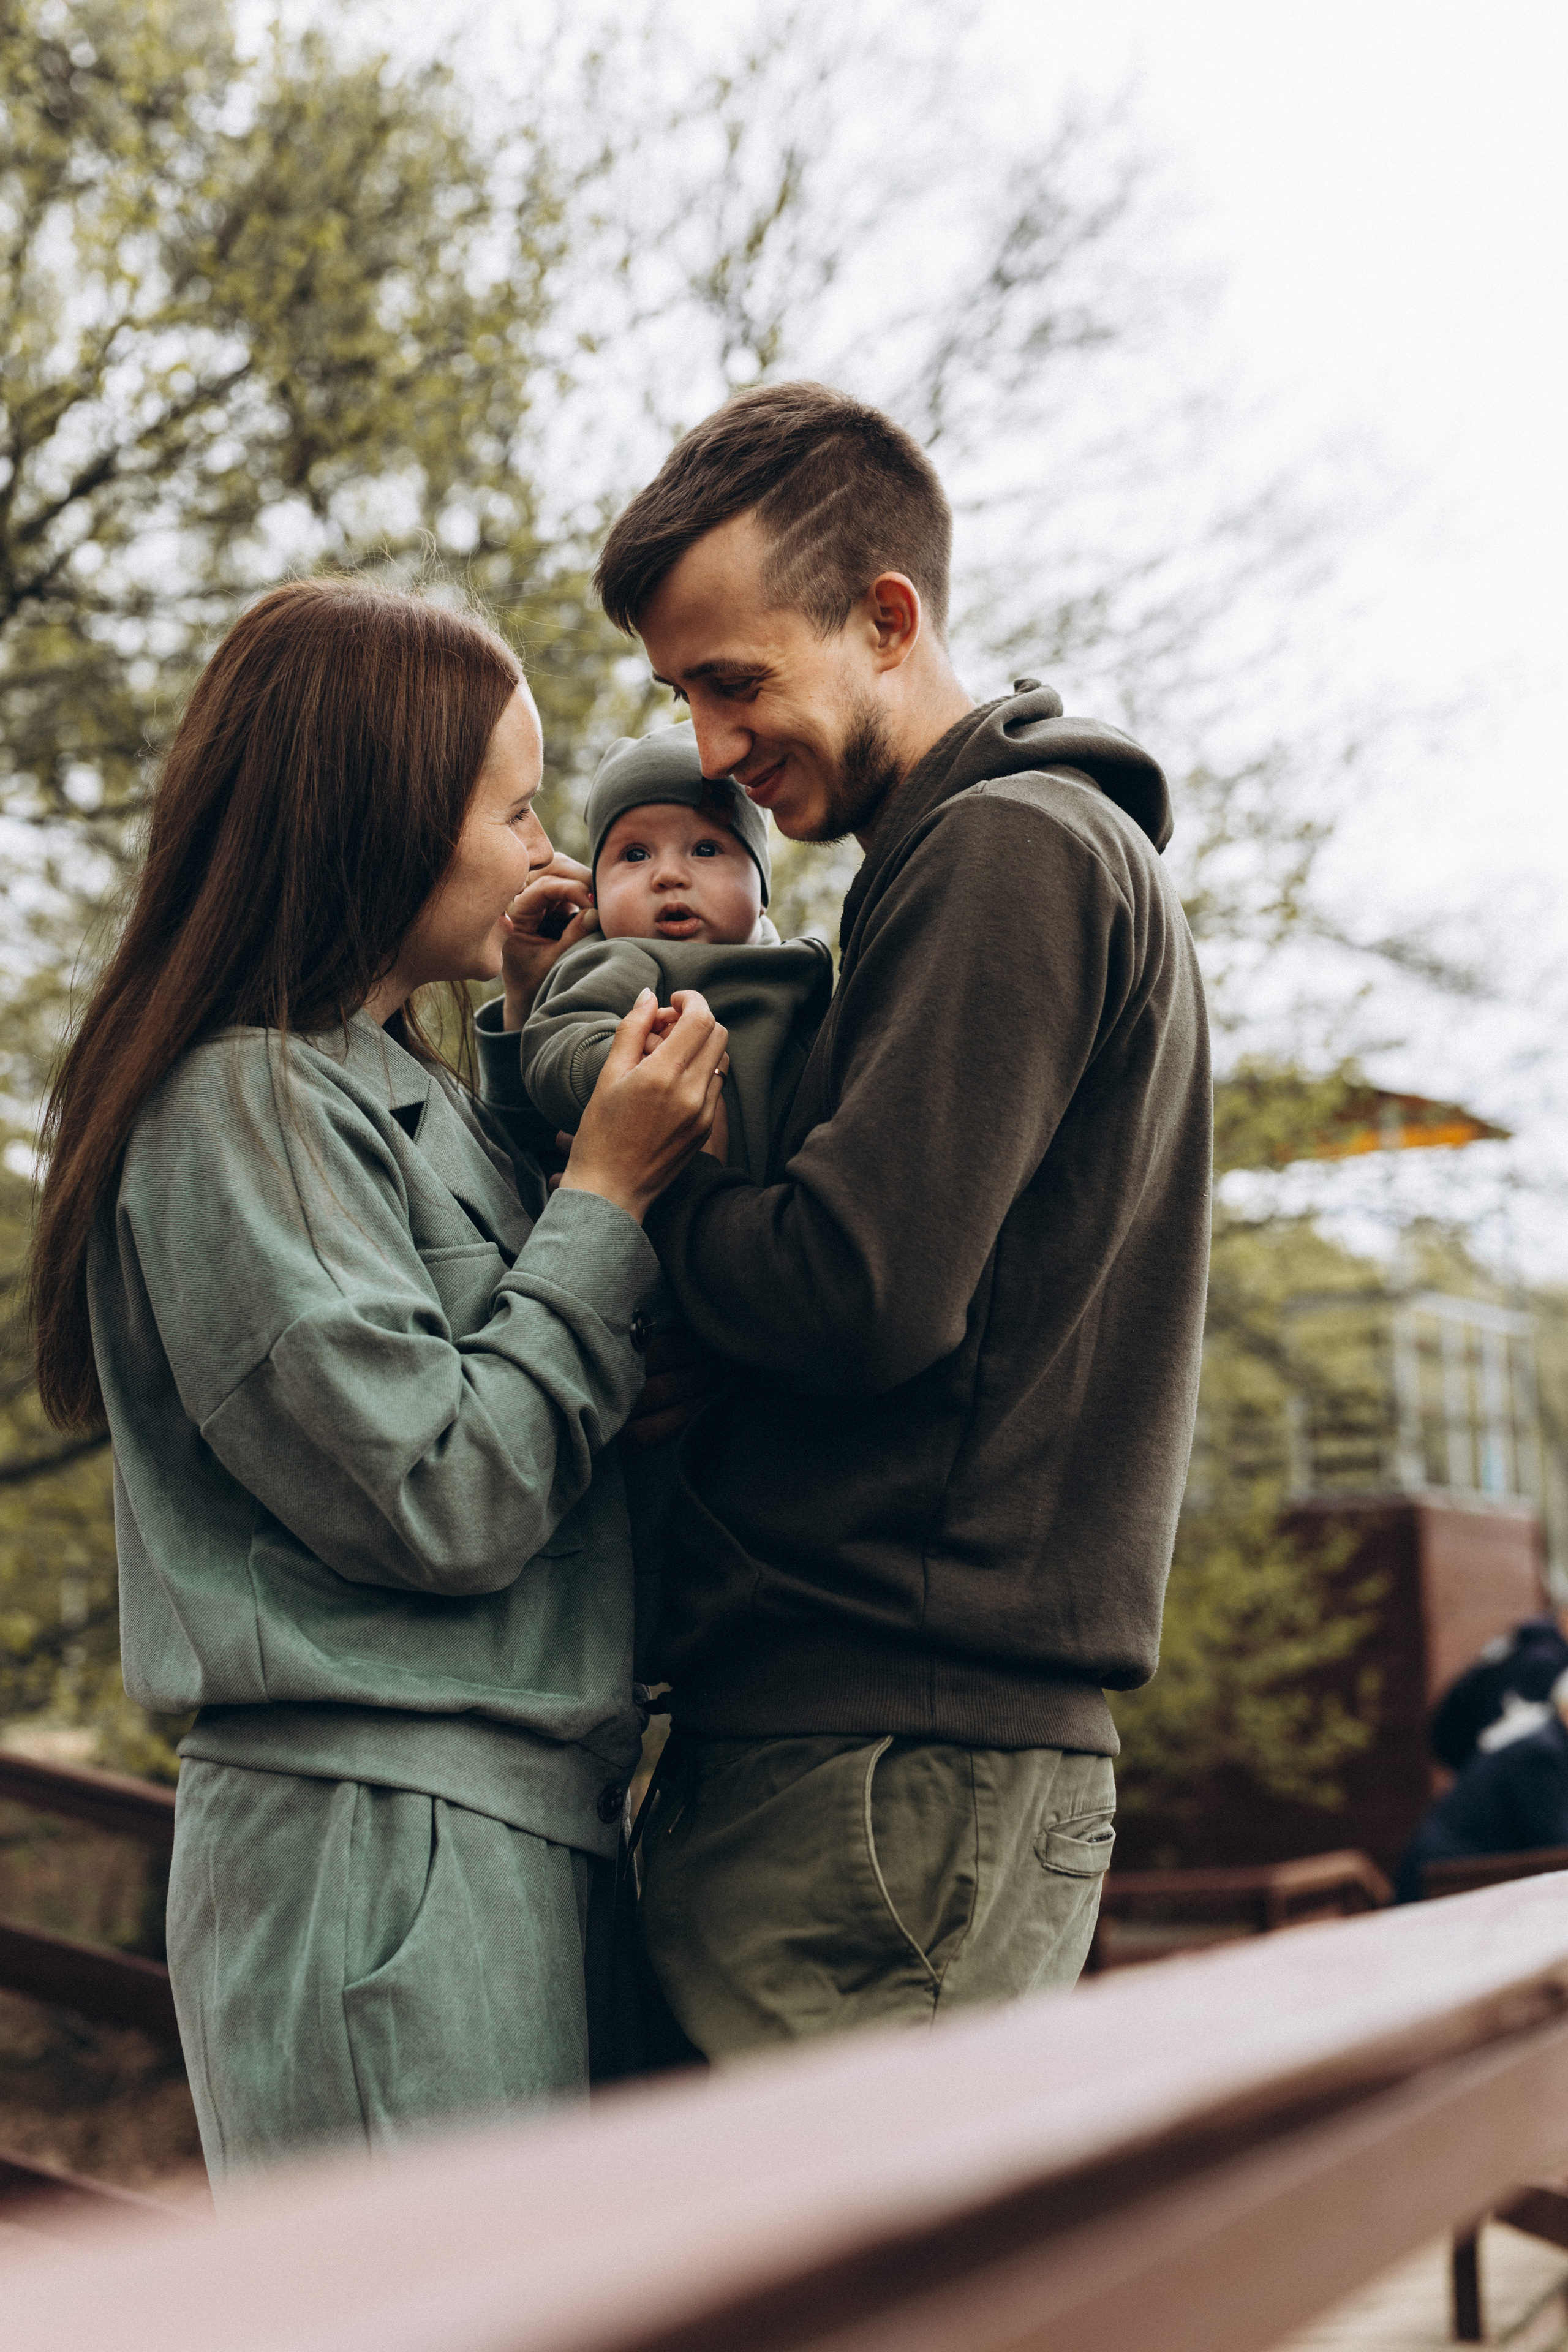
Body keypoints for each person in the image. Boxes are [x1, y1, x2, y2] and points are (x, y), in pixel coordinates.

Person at [29, 576, 728, 2177]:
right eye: (515, 811)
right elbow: (439, 1489)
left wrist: (541, 1049)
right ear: (377, 821)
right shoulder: (234, 1108)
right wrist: (604, 1202)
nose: (551, 857)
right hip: (377, 1835)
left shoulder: (398, 1094)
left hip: (523, 1826)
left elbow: (509, 1393)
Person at [587, 380, 1213, 2059]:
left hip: (891, 1766)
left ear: (885, 619)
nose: (714, 753)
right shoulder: (969, 860)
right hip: (869, 1755)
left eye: (735, 684)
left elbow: (856, 1293)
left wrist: (631, 1177)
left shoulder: (1007, 852)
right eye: (682, 700)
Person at [508, 728, 831, 1672]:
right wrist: (615, 1080)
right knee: (645, 1479)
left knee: (739, 1474)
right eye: (634, 855)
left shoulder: (805, 980)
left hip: (761, 1274)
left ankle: (698, 1639)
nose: (670, 879)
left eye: (707, 849)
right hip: (643, 1281)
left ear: (761, 881)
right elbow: (555, 1045)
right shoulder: (622, 969)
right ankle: (639, 1646)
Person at [1398, 1669, 1568, 1902]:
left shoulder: (1548, 1740)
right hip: (1444, 1879)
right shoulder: (1543, 1754)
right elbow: (1555, 1841)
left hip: (1465, 1873)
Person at [1428, 1612, 1568, 1773]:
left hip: (1454, 1734)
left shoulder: (1532, 1638)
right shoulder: (1546, 1663)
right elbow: (1517, 1736)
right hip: (1471, 1747)